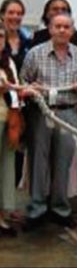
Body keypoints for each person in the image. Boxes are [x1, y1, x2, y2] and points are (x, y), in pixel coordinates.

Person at [20, 13, 77, 231]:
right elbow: (23, 82)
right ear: (50, 29)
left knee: (64, 163)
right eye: (57, 26)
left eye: (66, 27)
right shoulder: (35, 53)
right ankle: (36, 210)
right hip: (42, 113)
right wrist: (32, 89)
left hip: (68, 112)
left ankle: (60, 209)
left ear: (72, 30)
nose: (62, 30)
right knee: (38, 162)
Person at [0, 0, 31, 189]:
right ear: (2, 14)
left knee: (15, 153)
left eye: (19, 13)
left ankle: (7, 205)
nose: (15, 16)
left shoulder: (28, 39)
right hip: (4, 103)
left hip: (20, 102)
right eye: (11, 12)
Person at [0, 22, 22, 237]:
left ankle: (1, 216)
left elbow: (16, 89)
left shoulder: (9, 63)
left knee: (6, 167)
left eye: (0, 37)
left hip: (7, 119)